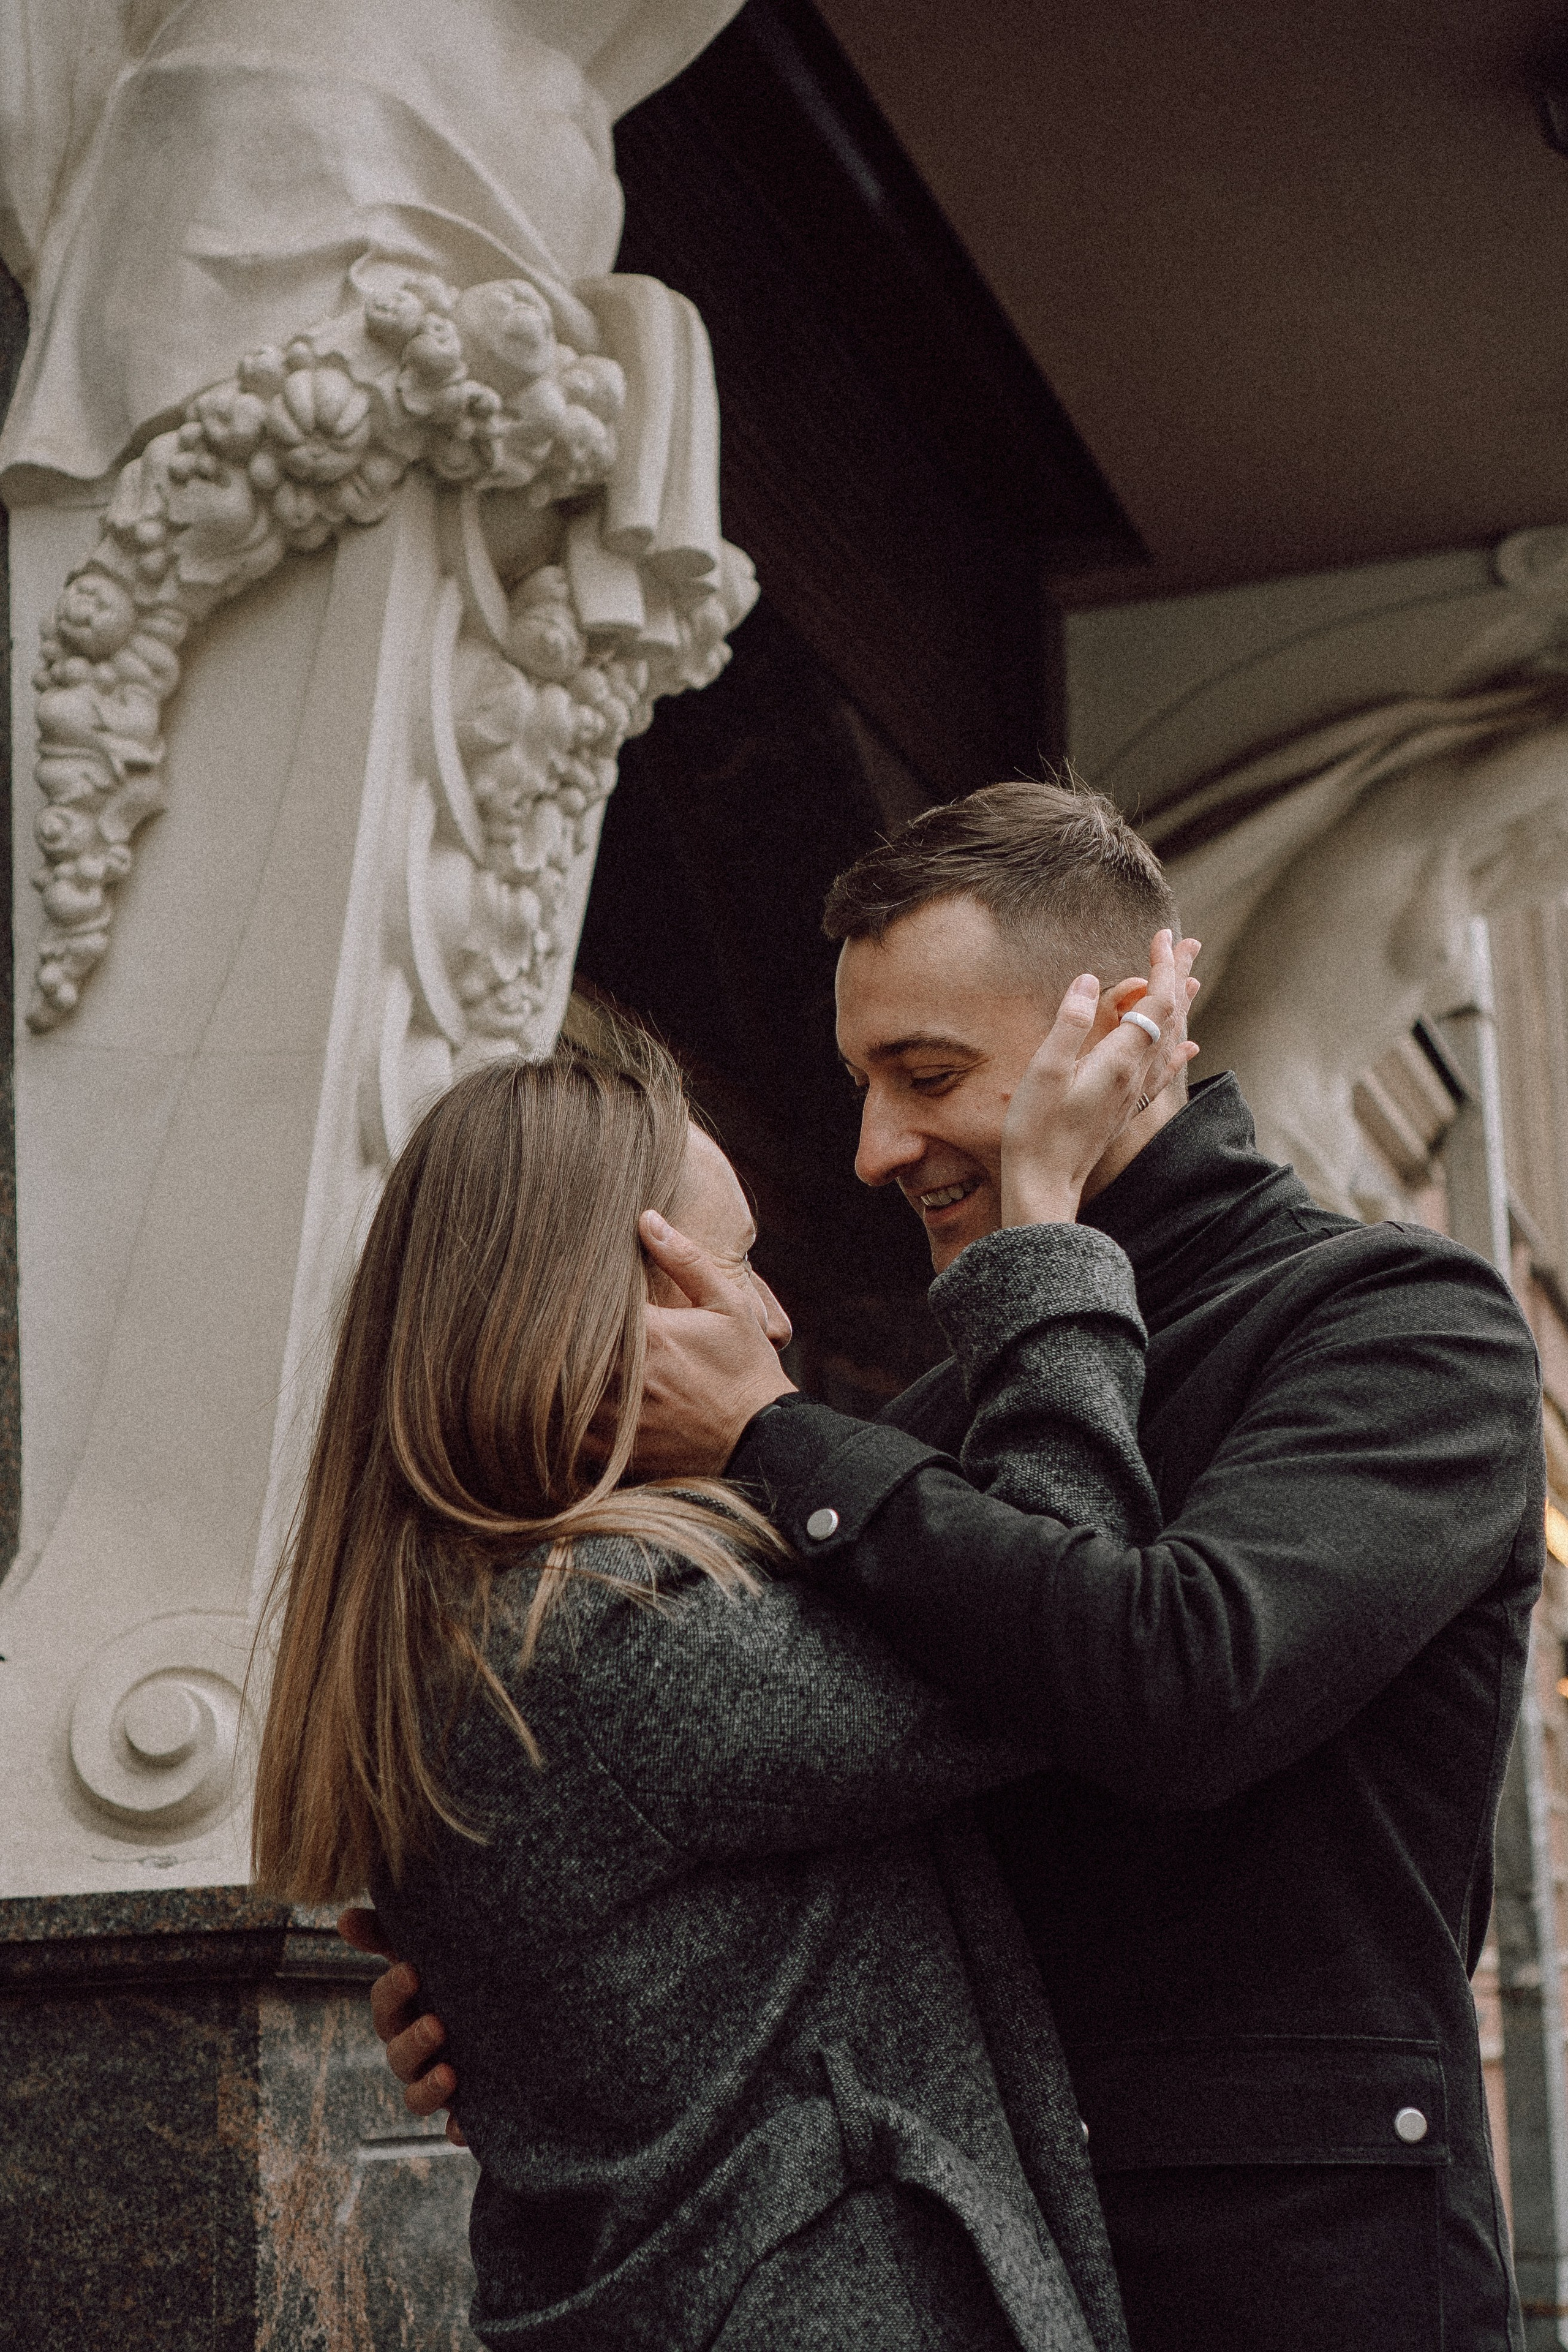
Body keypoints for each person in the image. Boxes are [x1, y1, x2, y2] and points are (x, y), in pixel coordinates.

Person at [372, 780, 1545, 2352]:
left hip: (1289, 2277)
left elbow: (1181, 1680)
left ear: (1119, 1033)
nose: (872, 1148)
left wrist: (777, 1440)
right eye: (859, 1081)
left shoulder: (1397, 1328)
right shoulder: (942, 1425)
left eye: (925, 1076)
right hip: (983, 2260)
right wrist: (551, 1988)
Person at [257, 978, 1196, 2352]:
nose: (768, 1313)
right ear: (609, 1311)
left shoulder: (478, 1623)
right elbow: (1059, 1624)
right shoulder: (614, 1635)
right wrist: (1040, 1223)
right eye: (733, 1259)